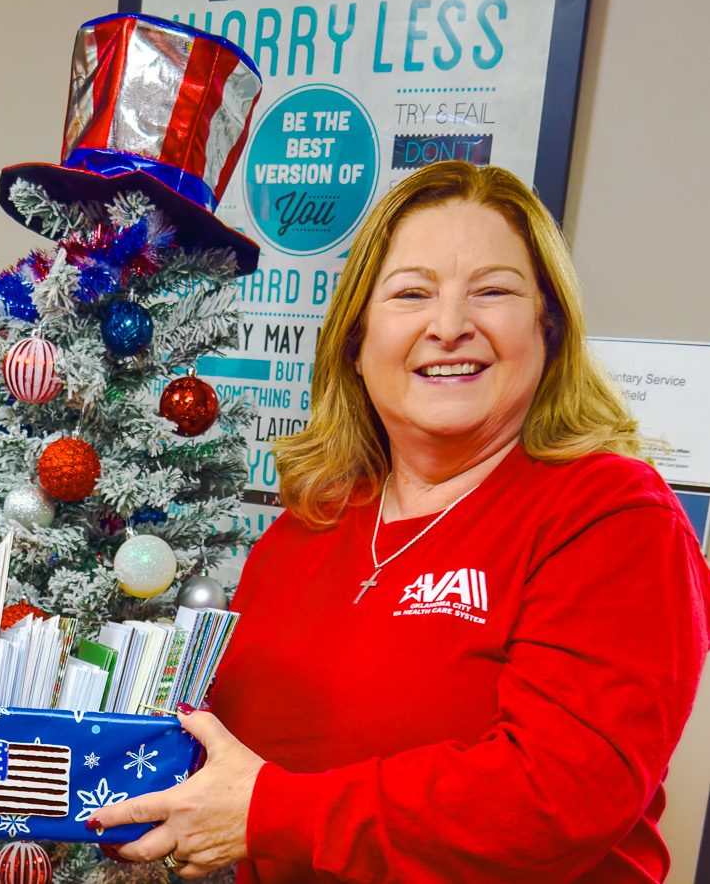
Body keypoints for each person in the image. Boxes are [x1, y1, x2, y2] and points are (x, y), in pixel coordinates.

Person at [91, 160, 709, 881]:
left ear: (548, 327)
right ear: (356, 341)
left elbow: (558, 797)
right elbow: (235, 767)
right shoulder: (310, 525)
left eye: (493, 291)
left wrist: (274, 815)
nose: (450, 327)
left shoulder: (613, 514)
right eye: (412, 293)